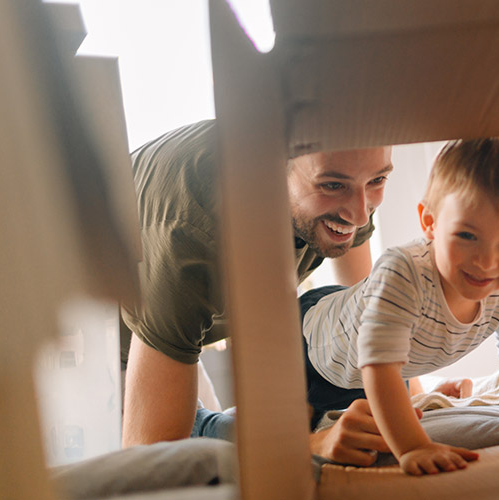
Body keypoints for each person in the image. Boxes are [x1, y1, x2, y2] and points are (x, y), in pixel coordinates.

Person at [119, 119, 399, 465]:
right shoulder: (193, 235)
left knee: (212, 434)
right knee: (193, 459)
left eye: (378, 180)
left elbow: (369, 319)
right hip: (95, 349)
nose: (358, 214)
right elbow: (150, 464)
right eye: (331, 185)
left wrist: (408, 397)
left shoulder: (349, 180)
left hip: (173, 331)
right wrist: (308, 447)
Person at [298, 136, 499, 475]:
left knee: (377, 403)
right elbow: (379, 369)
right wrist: (414, 447)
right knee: (282, 436)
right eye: (467, 236)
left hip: (370, 365)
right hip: (308, 347)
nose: (486, 261)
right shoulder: (403, 274)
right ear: (430, 222)